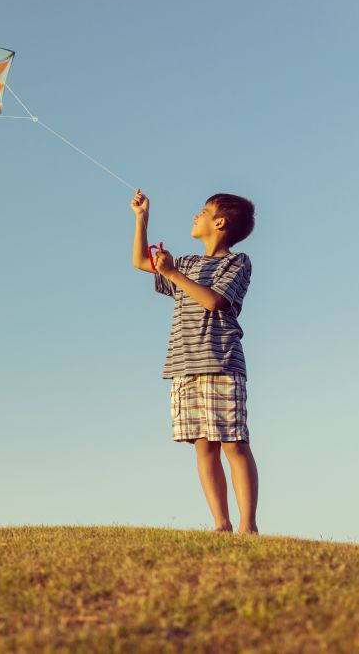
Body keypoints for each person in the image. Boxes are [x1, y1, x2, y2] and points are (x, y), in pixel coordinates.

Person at [131, 189, 259, 535]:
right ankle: (222, 523)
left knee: (233, 443)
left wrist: (173, 274)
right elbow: (142, 262)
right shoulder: (186, 263)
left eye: (202, 211)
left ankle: (248, 526)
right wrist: (142, 218)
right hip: (184, 365)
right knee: (204, 445)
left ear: (219, 223)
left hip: (221, 362)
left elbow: (215, 302)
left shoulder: (237, 262)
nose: (195, 216)